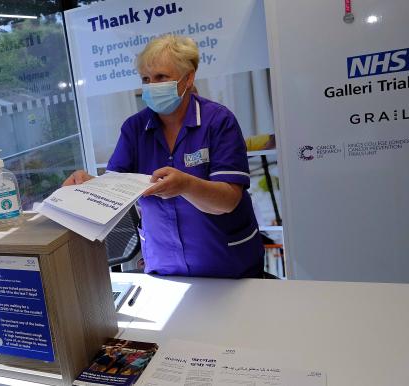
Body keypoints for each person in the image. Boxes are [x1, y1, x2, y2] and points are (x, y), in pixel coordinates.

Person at [64, 35, 264, 278]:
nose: (151, 86)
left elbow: (228, 201)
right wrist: (89, 186)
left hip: (227, 264)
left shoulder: (218, 121)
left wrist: (187, 185)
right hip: (165, 265)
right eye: (146, 79)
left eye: (160, 77)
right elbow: (115, 191)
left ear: (188, 78)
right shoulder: (135, 129)